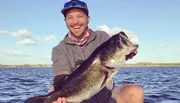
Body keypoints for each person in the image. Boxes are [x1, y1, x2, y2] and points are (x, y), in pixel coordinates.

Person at [48, 0, 144, 103]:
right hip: (76, 100)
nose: (75, 21)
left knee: (136, 92)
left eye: (80, 16)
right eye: (70, 17)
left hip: (107, 98)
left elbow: (114, 58)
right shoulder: (58, 49)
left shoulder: (102, 37)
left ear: (88, 19)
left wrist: (126, 55)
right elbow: (61, 76)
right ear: (65, 21)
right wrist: (56, 93)